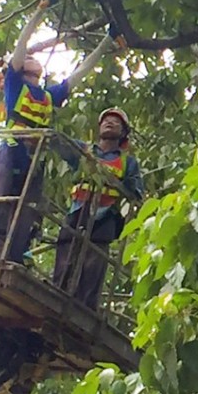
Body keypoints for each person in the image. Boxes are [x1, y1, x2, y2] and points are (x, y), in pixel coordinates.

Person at [0, 0, 122, 358]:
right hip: (10, 151)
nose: (34, 62)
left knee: (25, 216)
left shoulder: (46, 95)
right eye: (31, 63)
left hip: (33, 159)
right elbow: (19, 46)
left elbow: (79, 74)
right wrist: (38, 12)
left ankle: (13, 255)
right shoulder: (15, 85)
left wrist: (106, 43)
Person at [53, 108, 143, 309]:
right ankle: (57, 294)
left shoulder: (127, 162)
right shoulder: (84, 150)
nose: (110, 123)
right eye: (106, 121)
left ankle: (85, 307)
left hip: (105, 215)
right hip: (78, 210)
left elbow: (136, 192)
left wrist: (118, 184)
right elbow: (60, 144)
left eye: (116, 122)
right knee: (66, 257)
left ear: (123, 133)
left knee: (94, 264)